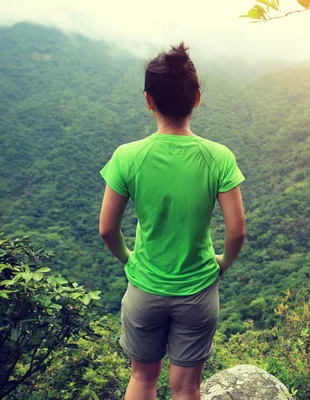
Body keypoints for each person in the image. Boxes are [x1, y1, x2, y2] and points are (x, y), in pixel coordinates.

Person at [98, 42, 246, 400]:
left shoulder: (127, 157)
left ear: (148, 100)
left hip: (145, 287)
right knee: (185, 388)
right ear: (196, 97)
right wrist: (222, 264)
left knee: (143, 379)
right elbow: (237, 231)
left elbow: (106, 229)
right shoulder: (219, 157)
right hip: (197, 288)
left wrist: (129, 258)